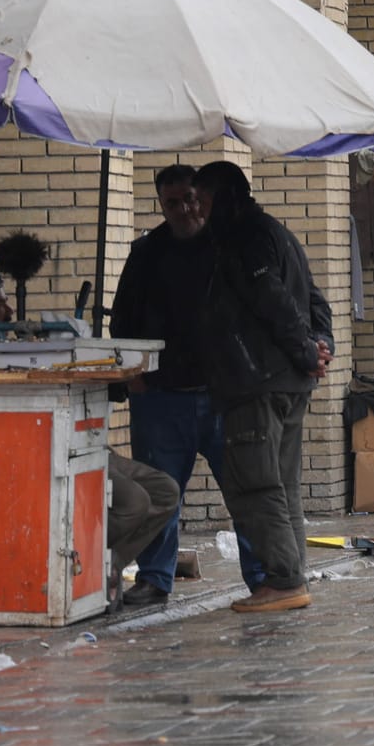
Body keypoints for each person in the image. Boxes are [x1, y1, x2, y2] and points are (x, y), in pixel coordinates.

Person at [109, 164, 262, 606]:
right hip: (160, 398)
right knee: (161, 496)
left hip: (223, 396)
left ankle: (262, 577)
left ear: (205, 198)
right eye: (172, 202)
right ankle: (155, 578)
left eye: (191, 199)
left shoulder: (226, 247)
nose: (184, 209)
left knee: (245, 492)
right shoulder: (147, 253)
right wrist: (133, 376)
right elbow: (122, 321)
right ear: (161, 204)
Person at [191, 161, 333, 614]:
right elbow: (315, 300)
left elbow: (274, 301)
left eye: (202, 199)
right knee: (283, 484)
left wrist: (308, 352)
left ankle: (283, 579)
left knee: (256, 484)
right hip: (288, 382)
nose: (197, 209)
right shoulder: (279, 233)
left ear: (222, 197)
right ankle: (292, 576)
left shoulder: (243, 239)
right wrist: (318, 346)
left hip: (258, 382)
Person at [107, 454, 179, 606]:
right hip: (59, 450)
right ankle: (98, 563)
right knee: (135, 501)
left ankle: (112, 563)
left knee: (167, 491)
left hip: (97, 450)